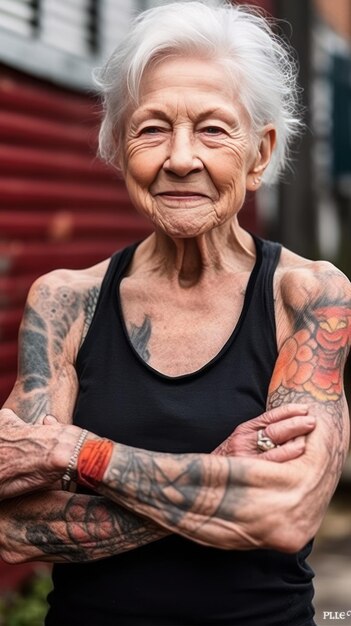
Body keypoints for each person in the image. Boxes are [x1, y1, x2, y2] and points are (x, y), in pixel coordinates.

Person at [0, 2, 350, 625]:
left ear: (260, 154)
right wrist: (221, 476)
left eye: (213, 129)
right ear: (118, 148)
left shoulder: (307, 294)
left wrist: (80, 454)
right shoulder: (64, 301)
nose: (180, 158)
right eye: (152, 128)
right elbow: (13, 528)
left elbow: (285, 512)